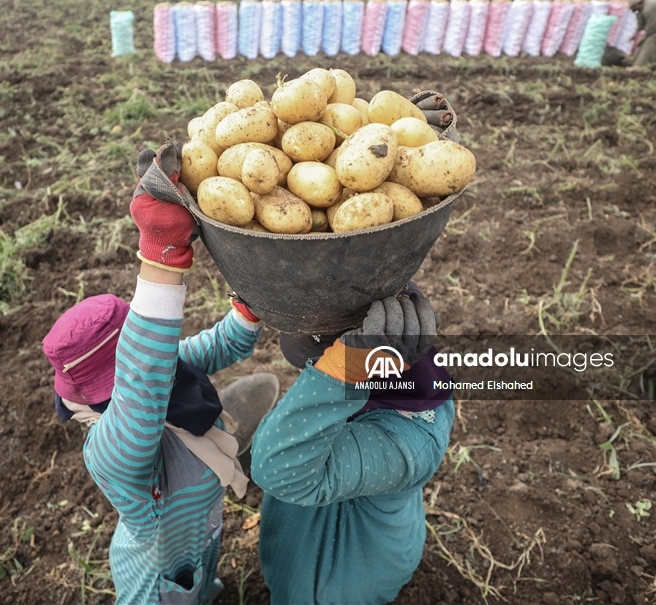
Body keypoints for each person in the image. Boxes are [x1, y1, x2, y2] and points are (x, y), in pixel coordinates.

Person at [42, 143, 279, 605]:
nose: (160, 361)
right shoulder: (113, 454)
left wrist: (250, 305)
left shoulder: (168, 372)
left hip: (201, 538)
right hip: (156, 579)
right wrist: (160, 257)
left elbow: (219, 344)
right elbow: (144, 381)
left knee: (202, 582)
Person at [251, 290, 456, 605]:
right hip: (308, 547)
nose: (312, 370)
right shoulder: (394, 382)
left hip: (338, 583)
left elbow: (278, 469)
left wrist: (339, 369)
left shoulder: (408, 439)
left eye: (321, 362)